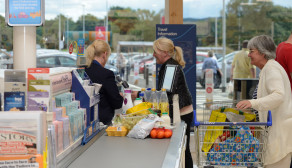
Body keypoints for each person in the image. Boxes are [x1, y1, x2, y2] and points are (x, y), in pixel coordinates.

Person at [236, 35, 292, 168]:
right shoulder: (268, 68)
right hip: (276, 133)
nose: (248, 55)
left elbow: (278, 95)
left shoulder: (272, 69)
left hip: (279, 135)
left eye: (251, 51)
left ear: (262, 52)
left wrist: (252, 103)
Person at [149, 37, 194, 168]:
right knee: (183, 149)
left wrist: (144, 96)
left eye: (155, 51)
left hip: (181, 113)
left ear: (165, 52)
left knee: (183, 150)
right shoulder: (170, 65)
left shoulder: (170, 67)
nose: (153, 54)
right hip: (181, 111)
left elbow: (165, 94)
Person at [85, 40, 123, 125]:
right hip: (101, 123)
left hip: (85, 121)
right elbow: (117, 103)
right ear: (105, 54)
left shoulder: (83, 71)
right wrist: (120, 96)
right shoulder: (107, 74)